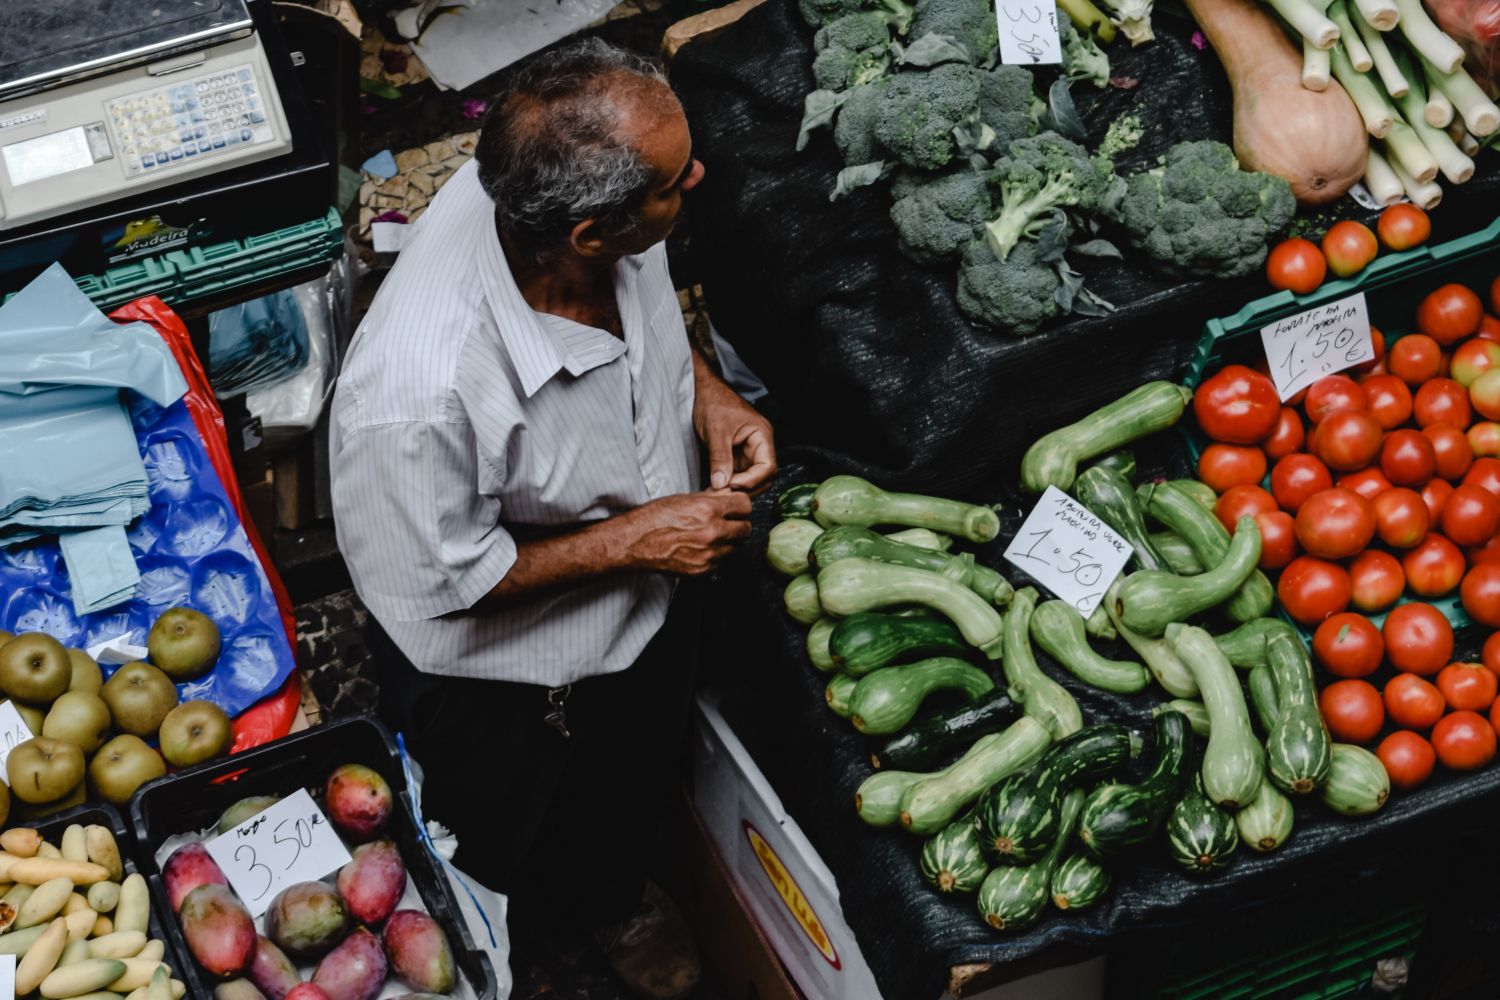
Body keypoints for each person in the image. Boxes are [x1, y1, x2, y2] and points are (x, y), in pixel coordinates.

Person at [328, 38, 776, 1000]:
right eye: (672, 181)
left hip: (649, 592)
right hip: (513, 675)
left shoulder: (594, 218)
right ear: (586, 233)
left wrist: (710, 400)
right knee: (507, 826)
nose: (697, 177)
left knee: (630, 776)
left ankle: (614, 894)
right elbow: (448, 584)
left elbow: (649, 315)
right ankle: (520, 938)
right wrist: (640, 539)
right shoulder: (417, 396)